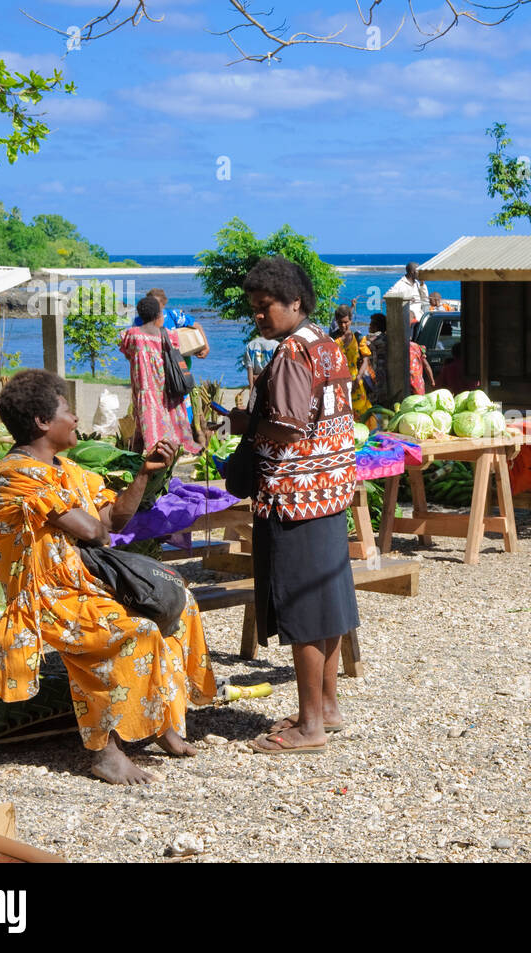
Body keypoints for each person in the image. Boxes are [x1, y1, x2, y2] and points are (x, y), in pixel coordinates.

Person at [0, 369, 215, 784]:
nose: (75, 419)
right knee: (133, 633)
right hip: (44, 597)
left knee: (182, 605)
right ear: (42, 422)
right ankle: (104, 751)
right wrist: (95, 524)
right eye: (68, 411)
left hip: (85, 584)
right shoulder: (15, 474)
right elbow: (94, 530)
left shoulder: (68, 470)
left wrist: (146, 474)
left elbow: (113, 518)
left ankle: (161, 722)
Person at [227, 257, 359, 754]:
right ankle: (326, 707)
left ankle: (309, 728)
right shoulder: (326, 345)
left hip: (295, 496)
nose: (259, 317)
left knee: (303, 611)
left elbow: (285, 424)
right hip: (331, 491)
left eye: (265, 308)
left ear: (294, 302)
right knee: (327, 606)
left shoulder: (288, 354)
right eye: (255, 310)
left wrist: (245, 424)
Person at [119, 295, 201, 455]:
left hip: (144, 391)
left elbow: (127, 355)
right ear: (158, 315)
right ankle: (164, 464)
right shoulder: (169, 335)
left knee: (143, 430)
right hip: (167, 392)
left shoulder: (132, 334)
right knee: (170, 431)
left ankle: (136, 463)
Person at [329, 301, 373, 421]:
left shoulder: (358, 338)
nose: (343, 326)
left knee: (361, 417)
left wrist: (358, 378)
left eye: (346, 322)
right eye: (340, 323)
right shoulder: (331, 340)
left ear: (351, 320)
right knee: (340, 415)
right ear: (336, 321)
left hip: (355, 384)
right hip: (337, 384)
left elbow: (365, 359)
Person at [396, 262, 429, 330]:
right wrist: (406, 299)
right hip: (409, 320)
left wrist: (422, 284)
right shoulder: (400, 284)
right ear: (412, 272)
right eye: (418, 271)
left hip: (420, 318)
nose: (420, 273)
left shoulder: (417, 283)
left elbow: (425, 299)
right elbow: (390, 298)